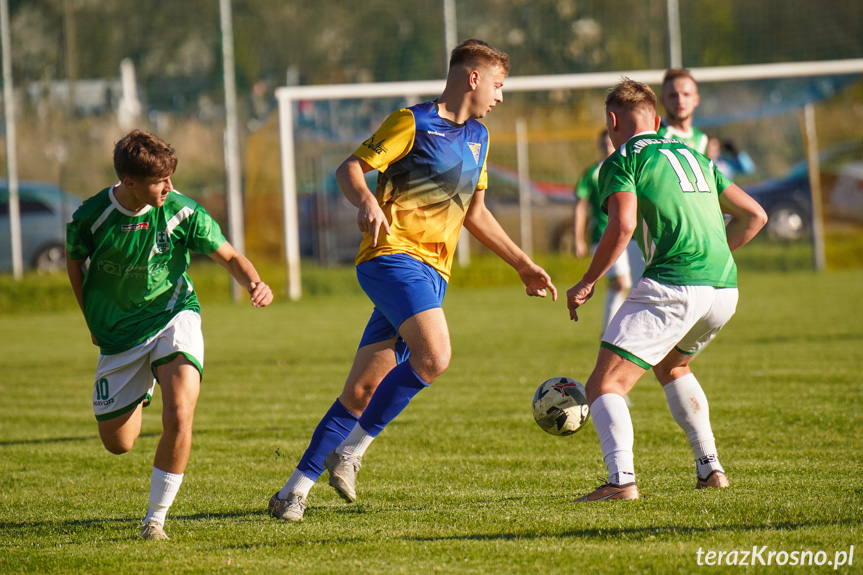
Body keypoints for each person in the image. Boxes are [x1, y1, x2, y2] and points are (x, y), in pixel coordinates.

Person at [268, 39, 557, 522]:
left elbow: (477, 214)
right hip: (392, 257)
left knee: (361, 391)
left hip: (433, 274)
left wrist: (522, 263)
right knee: (436, 356)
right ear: (473, 78)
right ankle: (353, 451)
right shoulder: (413, 121)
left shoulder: (480, 137)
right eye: (498, 85)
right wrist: (365, 199)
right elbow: (350, 168)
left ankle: (292, 491)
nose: (500, 97)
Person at [566, 78, 767, 502]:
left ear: (612, 122)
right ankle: (710, 469)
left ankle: (621, 482)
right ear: (657, 121)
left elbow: (622, 225)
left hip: (675, 282)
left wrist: (587, 280)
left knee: (604, 385)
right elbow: (755, 216)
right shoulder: (695, 155)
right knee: (673, 366)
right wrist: (715, 258)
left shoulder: (621, 159)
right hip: (723, 289)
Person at [66, 130, 274, 539]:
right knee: (119, 443)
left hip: (173, 315)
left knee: (180, 412)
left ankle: (155, 520)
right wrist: (90, 318)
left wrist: (254, 281)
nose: (169, 187)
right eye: (159, 181)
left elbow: (229, 255)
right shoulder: (92, 216)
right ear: (129, 183)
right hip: (119, 335)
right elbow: (75, 263)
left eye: (170, 177)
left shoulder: (181, 210)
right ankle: (143, 383)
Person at [573, 130, 645, 332]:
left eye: (609, 143)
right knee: (620, 282)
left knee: (635, 286)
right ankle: (610, 334)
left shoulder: (627, 168)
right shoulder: (592, 173)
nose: (607, 147)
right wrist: (578, 238)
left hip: (631, 238)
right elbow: (580, 206)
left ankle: (626, 333)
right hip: (603, 237)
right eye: (603, 143)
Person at [657, 69, 708, 154]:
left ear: (696, 100)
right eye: (673, 95)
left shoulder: (701, 139)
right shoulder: (654, 136)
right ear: (662, 100)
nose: (680, 101)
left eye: (686, 94)